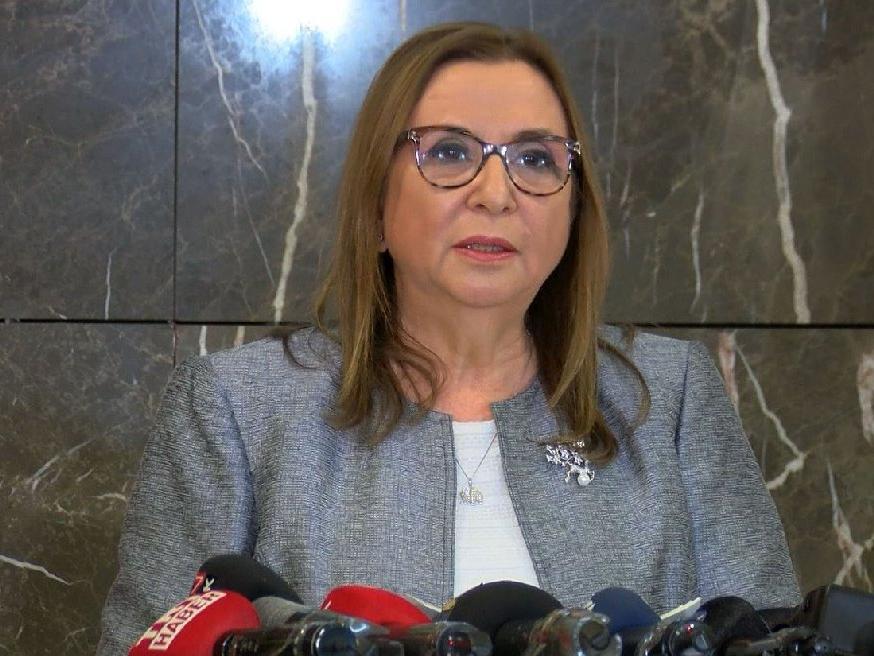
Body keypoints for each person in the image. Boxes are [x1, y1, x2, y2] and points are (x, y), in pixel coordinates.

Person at [97, 22, 799, 655]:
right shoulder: (236, 409)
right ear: (376, 206)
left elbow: (773, 636)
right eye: (451, 151)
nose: (496, 193)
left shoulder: (670, 397)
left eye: (535, 159)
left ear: (573, 212)